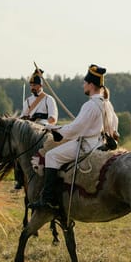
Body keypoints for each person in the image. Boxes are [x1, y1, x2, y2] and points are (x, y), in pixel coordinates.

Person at [29, 64, 118, 211]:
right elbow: (114, 125)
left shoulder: (90, 105)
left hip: (86, 147)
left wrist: (54, 128)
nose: (83, 85)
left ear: (91, 85)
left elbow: (74, 130)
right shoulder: (107, 104)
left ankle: (48, 200)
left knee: (51, 156)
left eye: (85, 83)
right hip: (100, 144)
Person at [15, 68, 59, 189]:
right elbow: (23, 117)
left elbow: (53, 119)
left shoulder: (48, 99)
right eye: (31, 85)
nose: (32, 87)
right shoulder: (28, 101)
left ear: (40, 85)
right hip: (29, 131)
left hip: (44, 130)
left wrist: (40, 120)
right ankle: (19, 179)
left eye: (34, 85)